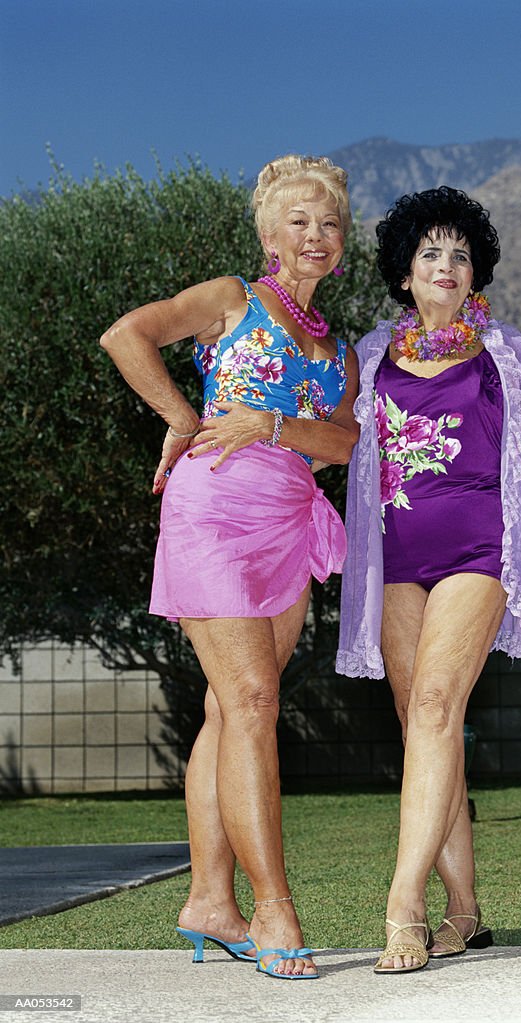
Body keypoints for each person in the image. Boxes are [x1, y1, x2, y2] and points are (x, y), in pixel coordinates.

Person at [100, 154, 360, 981]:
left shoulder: (337, 346)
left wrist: (272, 424)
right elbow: (125, 335)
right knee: (251, 701)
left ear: (341, 243)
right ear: (268, 236)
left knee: (228, 708)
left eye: (329, 225)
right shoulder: (229, 300)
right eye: (299, 223)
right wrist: (182, 415)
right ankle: (274, 907)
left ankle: (211, 900)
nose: (315, 236)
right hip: (212, 511)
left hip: (288, 520)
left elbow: (345, 442)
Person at [336, 186, 521, 973]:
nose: (446, 264)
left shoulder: (515, 357)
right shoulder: (364, 357)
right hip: (394, 561)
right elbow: (324, 434)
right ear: (403, 273)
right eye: (430, 252)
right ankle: (463, 912)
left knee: (434, 704)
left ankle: (403, 907)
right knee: (422, 725)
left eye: (460, 254)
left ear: (475, 274)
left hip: (478, 552)